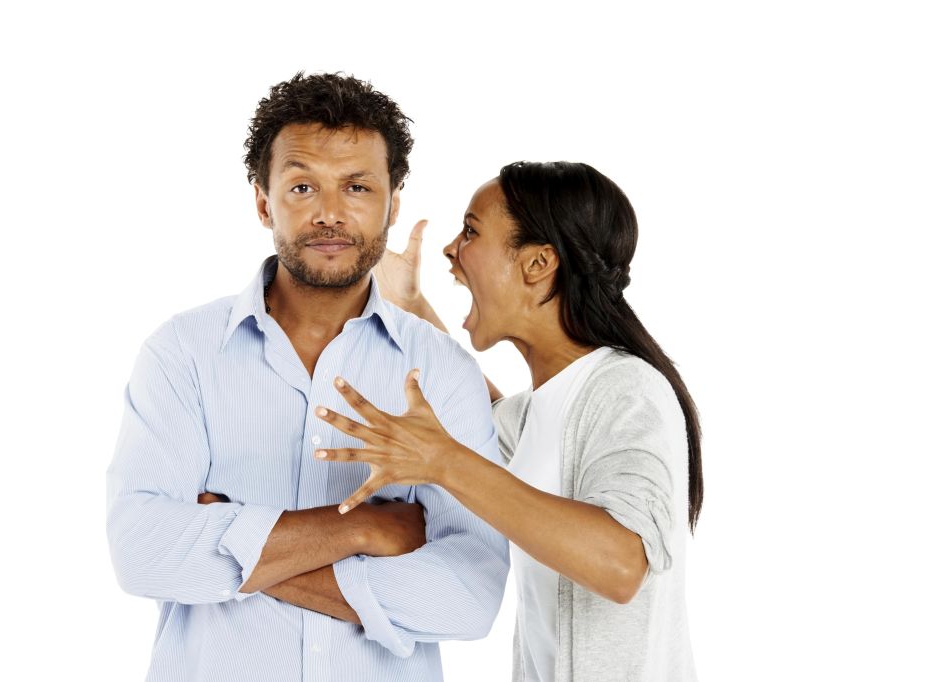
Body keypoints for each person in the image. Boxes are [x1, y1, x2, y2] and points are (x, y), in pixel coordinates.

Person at [106, 72, 509, 682]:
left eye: (357, 187)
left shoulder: (444, 373)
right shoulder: (183, 354)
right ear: (264, 201)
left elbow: (470, 595)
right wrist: (365, 529)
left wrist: (236, 544)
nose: (329, 213)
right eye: (301, 186)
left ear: (392, 205)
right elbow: (144, 554)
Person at [312, 161, 702, 681]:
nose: (452, 249)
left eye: (471, 231)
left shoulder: (626, 390)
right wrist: (409, 303)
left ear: (538, 264)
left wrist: (444, 463)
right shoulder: (539, 410)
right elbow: (472, 417)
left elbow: (621, 564)